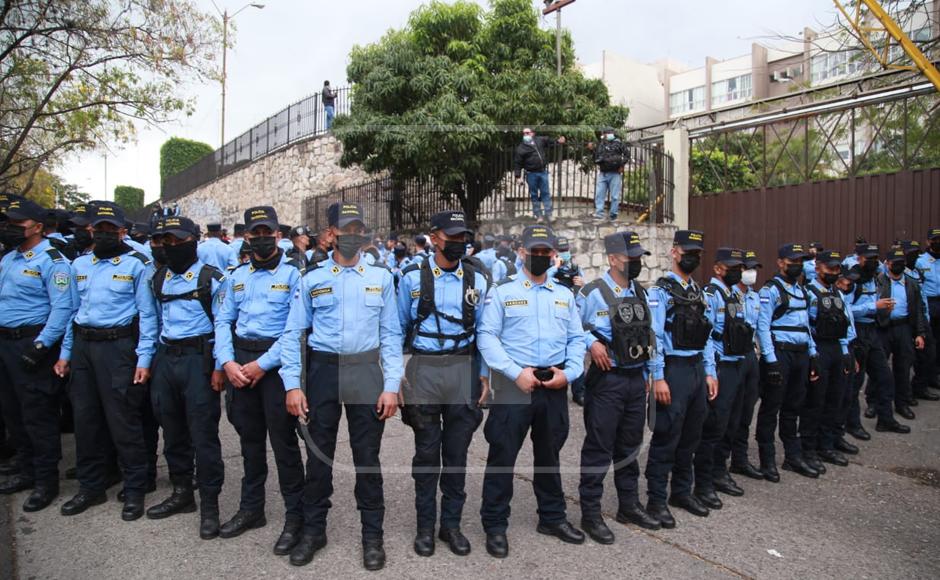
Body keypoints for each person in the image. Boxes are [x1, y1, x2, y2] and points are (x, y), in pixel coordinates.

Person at [280, 202, 403, 571]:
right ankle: (314, 531)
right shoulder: (312, 279)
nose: (353, 235)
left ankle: (372, 537)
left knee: (367, 460)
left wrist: (392, 385)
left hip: (366, 370)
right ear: (330, 233)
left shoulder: (380, 278)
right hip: (324, 372)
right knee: (319, 457)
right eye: (346, 228)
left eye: (359, 228)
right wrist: (292, 385)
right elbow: (292, 334)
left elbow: (392, 334)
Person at [477, 224, 585, 558]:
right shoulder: (503, 290)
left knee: (550, 457)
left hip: (553, 384)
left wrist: (569, 374)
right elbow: (487, 336)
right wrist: (513, 372)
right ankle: (495, 525)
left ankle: (552, 518)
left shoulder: (564, 295)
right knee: (502, 457)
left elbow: (576, 340)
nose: (540, 256)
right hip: (514, 384)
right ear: (522, 252)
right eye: (533, 251)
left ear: (554, 255)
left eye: (546, 251)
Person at [55, 201, 158, 520]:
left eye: (110, 229)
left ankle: (135, 487)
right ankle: (91, 486)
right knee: (86, 420)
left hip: (119, 348)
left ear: (122, 231)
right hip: (85, 347)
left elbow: (148, 315)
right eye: (98, 229)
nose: (103, 233)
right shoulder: (79, 265)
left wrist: (144, 359)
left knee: (123, 419)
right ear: (90, 230)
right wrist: (65, 354)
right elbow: (73, 313)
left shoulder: (138, 264)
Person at [214, 206, 307, 554]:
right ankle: (252, 509)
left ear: (279, 236)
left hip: (274, 366)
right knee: (250, 444)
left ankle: (295, 518)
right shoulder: (236, 276)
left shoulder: (296, 274)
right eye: (255, 233)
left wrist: (261, 365)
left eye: (268, 232)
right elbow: (223, 321)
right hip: (239, 363)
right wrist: (227, 361)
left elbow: (295, 329)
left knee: (284, 445)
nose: (262, 238)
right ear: (247, 237)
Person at [397, 210, 489, 558]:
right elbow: (397, 329)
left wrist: (485, 374)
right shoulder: (410, 277)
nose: (459, 242)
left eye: (463, 236)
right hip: (425, 369)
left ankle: (451, 525)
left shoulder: (477, 279)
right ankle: (424, 528)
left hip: (463, 369)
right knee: (426, 454)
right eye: (451, 237)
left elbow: (485, 331)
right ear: (434, 237)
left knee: (456, 454)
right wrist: (397, 378)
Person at [145, 216, 227, 539]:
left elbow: (223, 326)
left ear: (195, 239)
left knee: (204, 435)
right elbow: (153, 323)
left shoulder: (212, 279)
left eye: (179, 240)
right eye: (166, 241)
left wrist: (220, 367)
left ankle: (210, 507)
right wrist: (147, 362)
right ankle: (182, 494)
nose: (172, 246)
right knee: (173, 431)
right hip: (167, 360)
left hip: (199, 361)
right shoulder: (158, 279)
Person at [577, 231, 660, 543]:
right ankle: (591, 513)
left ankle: (629, 505)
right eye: (631, 258)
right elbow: (572, 325)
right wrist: (591, 343)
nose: (636, 263)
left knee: (629, 446)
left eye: (639, 258)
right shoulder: (592, 292)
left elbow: (650, 335)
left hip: (636, 379)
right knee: (599, 448)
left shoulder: (640, 291)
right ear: (613, 259)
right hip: (607, 380)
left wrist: (652, 374)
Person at [0, 199, 74, 512]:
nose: (11, 228)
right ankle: (26, 470)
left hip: (32, 343)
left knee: (38, 415)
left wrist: (43, 344)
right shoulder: (9, 258)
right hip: (5, 343)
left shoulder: (53, 261)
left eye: (19, 223)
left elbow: (63, 308)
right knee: (13, 411)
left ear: (38, 226)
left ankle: (46, 481)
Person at [644, 230, 717, 528]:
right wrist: (658, 377)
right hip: (673, 370)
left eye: (697, 253)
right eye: (688, 251)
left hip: (696, 369)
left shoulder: (699, 291)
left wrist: (710, 371)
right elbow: (654, 336)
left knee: (691, 435)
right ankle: (656, 500)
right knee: (667, 435)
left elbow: (708, 334)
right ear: (674, 252)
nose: (693, 257)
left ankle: (681, 492)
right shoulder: (659, 291)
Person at [755, 243, 820, 481]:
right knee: (771, 407)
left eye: (800, 261)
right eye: (792, 261)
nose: (797, 265)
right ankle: (767, 460)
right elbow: (762, 327)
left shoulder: (802, 291)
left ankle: (793, 457)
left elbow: (806, 327)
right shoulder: (770, 290)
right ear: (780, 262)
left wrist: (813, 355)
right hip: (780, 353)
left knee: (794, 407)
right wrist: (771, 362)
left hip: (801, 353)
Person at [694, 248, 751, 510]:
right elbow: (705, 336)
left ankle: (720, 469)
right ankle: (705, 480)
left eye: (740, 266)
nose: (738, 271)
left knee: (732, 422)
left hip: (737, 363)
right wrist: (710, 371)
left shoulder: (735, 294)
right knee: (714, 427)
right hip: (720, 367)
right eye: (732, 266)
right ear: (718, 268)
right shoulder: (710, 295)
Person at [845, 243, 910, 436]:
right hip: (857, 332)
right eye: (868, 258)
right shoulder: (852, 280)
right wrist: (874, 306)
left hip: (873, 332)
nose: (873, 262)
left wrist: (881, 309)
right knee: (855, 383)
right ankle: (853, 424)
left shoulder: (874, 277)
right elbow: (846, 311)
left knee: (884, 377)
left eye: (875, 258)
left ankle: (886, 419)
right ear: (859, 258)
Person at [802, 251, 855, 471]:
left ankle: (827, 444)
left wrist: (845, 352)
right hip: (819, 348)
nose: (833, 273)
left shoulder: (838, 293)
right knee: (815, 401)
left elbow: (845, 323)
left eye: (836, 269)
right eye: (829, 268)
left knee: (836, 397)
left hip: (836, 348)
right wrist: (813, 355)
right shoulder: (809, 293)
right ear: (818, 268)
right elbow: (804, 326)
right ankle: (809, 448)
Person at [716, 250, 764, 487]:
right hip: (729, 357)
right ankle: (719, 465)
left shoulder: (754, 297)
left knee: (745, 411)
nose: (748, 273)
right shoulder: (725, 294)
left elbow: (761, 328)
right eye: (745, 268)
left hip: (749, 355)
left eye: (751, 268)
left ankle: (740, 458)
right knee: (726, 414)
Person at [878, 248, 928, 421]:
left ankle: (902, 403)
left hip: (904, 328)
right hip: (883, 329)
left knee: (903, 367)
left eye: (901, 262)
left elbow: (919, 311)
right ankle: (874, 403)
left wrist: (920, 333)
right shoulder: (878, 281)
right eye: (895, 262)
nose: (898, 265)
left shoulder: (911, 284)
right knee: (879, 367)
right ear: (887, 264)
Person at [513, 128, 566, 223]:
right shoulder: (521, 148)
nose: (525, 134)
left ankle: (549, 215)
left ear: (532, 133)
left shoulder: (539, 140)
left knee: (545, 193)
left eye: (527, 133)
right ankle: (539, 216)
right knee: (534, 195)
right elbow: (517, 163)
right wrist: (518, 176)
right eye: (524, 133)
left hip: (542, 172)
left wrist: (558, 140)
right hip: (530, 174)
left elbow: (549, 140)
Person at [915, 228, 940, 398]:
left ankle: (934, 376)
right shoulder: (920, 261)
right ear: (928, 242)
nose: (937, 242)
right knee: (928, 345)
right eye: (934, 239)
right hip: (929, 303)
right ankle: (921, 383)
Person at [588, 127, 630, 222]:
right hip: (603, 173)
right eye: (604, 134)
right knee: (599, 194)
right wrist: (591, 150)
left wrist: (622, 165)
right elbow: (596, 158)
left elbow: (627, 155)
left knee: (615, 196)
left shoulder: (619, 143)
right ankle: (599, 214)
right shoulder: (602, 144)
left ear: (611, 133)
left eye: (606, 133)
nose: (605, 135)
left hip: (615, 174)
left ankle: (613, 216)